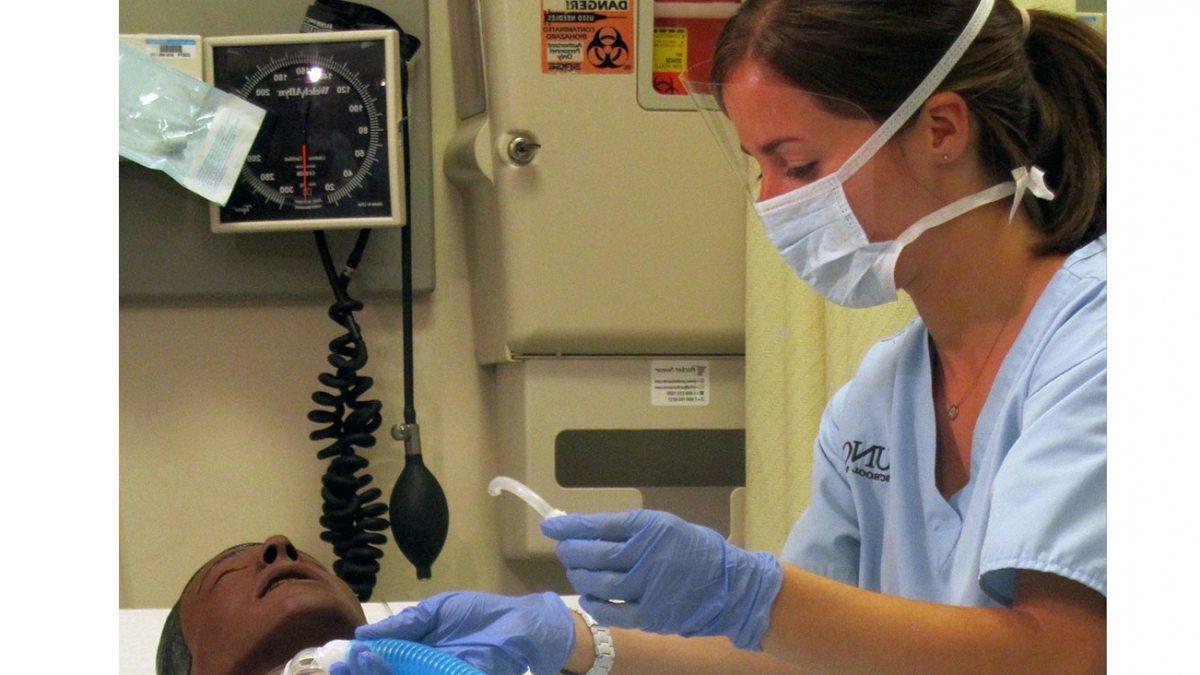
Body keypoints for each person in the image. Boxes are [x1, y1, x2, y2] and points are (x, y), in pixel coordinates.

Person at [344, 0, 1107, 673]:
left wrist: (749, 593)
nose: (773, 204)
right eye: (759, 170)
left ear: (941, 128)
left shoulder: (1107, 345)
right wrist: (569, 639)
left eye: (798, 163)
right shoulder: (881, 398)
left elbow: (1067, 654)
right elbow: (811, 651)